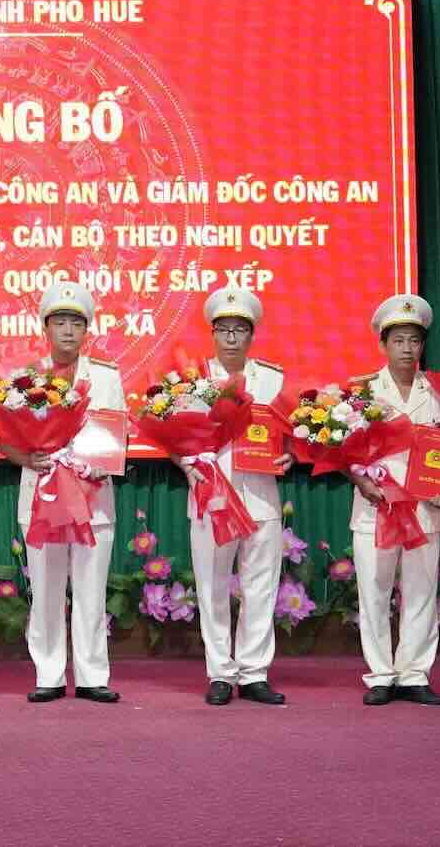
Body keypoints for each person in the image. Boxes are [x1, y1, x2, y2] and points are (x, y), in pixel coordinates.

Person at [5, 282, 124, 705]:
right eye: (61, 322)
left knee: (91, 591)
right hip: (42, 496)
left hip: (92, 497)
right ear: (46, 328)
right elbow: (6, 440)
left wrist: (101, 463)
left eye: (77, 323)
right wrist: (26, 458)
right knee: (47, 590)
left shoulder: (107, 378)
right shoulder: (24, 381)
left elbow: (115, 434)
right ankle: (49, 673)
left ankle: (93, 676)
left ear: (87, 329)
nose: (69, 331)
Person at [180, 288, 293, 706]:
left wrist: (289, 454)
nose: (232, 338)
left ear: (251, 336)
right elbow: (174, 434)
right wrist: (184, 461)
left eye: (240, 330)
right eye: (224, 330)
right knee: (212, 585)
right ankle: (220, 673)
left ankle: (255, 672)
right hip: (212, 494)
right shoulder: (191, 380)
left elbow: (289, 432)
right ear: (212, 334)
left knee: (261, 585)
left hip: (261, 494)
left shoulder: (273, 379)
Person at [349, 294, 440, 706]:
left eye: (414, 340)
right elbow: (345, 448)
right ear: (383, 344)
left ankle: (414, 674)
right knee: (374, 590)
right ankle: (380, 676)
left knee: (422, 590)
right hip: (377, 506)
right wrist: (358, 478)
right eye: (399, 341)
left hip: (425, 508)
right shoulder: (363, 391)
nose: (408, 349)